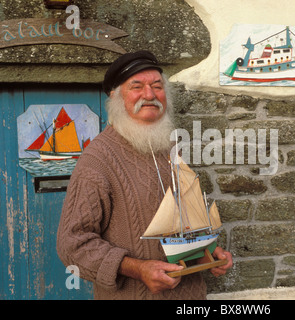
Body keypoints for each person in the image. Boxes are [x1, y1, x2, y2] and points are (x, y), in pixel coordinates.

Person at [56, 50, 232, 300]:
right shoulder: (97, 160)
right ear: (116, 97)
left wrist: (210, 253)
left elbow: (186, 218)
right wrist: (138, 269)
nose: (149, 95)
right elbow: (72, 245)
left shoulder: (171, 147)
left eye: (157, 86)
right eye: (136, 87)